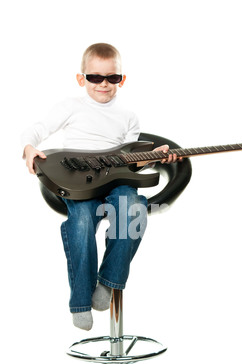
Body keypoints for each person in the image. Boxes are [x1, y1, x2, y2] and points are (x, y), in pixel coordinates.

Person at [21, 43, 181, 331]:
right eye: (95, 77)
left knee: (133, 210)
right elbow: (38, 128)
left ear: (122, 79)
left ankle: (108, 282)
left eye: (112, 78)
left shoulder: (129, 117)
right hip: (79, 181)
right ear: (82, 79)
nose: (103, 84)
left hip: (116, 180)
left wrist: (156, 157)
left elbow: (131, 163)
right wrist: (29, 147)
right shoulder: (70, 107)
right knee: (81, 222)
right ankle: (81, 300)